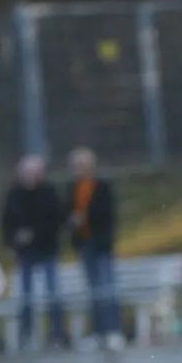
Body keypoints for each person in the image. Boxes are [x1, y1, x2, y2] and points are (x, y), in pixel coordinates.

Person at [1, 154, 66, 350]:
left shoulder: (49, 193)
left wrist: (34, 234)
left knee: (53, 294)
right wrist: (14, 242)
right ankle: (26, 336)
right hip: (24, 253)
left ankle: (57, 334)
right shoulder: (14, 195)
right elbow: (7, 224)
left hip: (47, 249)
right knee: (26, 296)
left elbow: (55, 221)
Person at [66, 147, 123, 351]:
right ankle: (99, 332)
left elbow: (107, 214)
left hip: (101, 246)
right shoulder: (73, 188)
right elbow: (69, 211)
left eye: (81, 165)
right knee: (93, 291)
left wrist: (85, 218)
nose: (77, 169)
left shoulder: (101, 186)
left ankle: (114, 331)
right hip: (85, 244)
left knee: (107, 288)